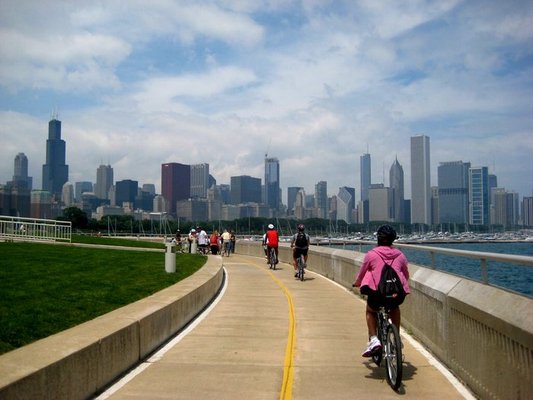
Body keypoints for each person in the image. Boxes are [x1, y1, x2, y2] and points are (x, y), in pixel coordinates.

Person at [353, 224, 410, 357]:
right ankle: (396, 337)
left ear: (378, 239)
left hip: (378, 294)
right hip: (396, 293)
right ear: (393, 240)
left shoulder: (371, 255)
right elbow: (406, 274)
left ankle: (374, 339)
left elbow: (362, 273)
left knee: (370, 311)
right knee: (394, 308)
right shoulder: (400, 255)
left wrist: (358, 283)